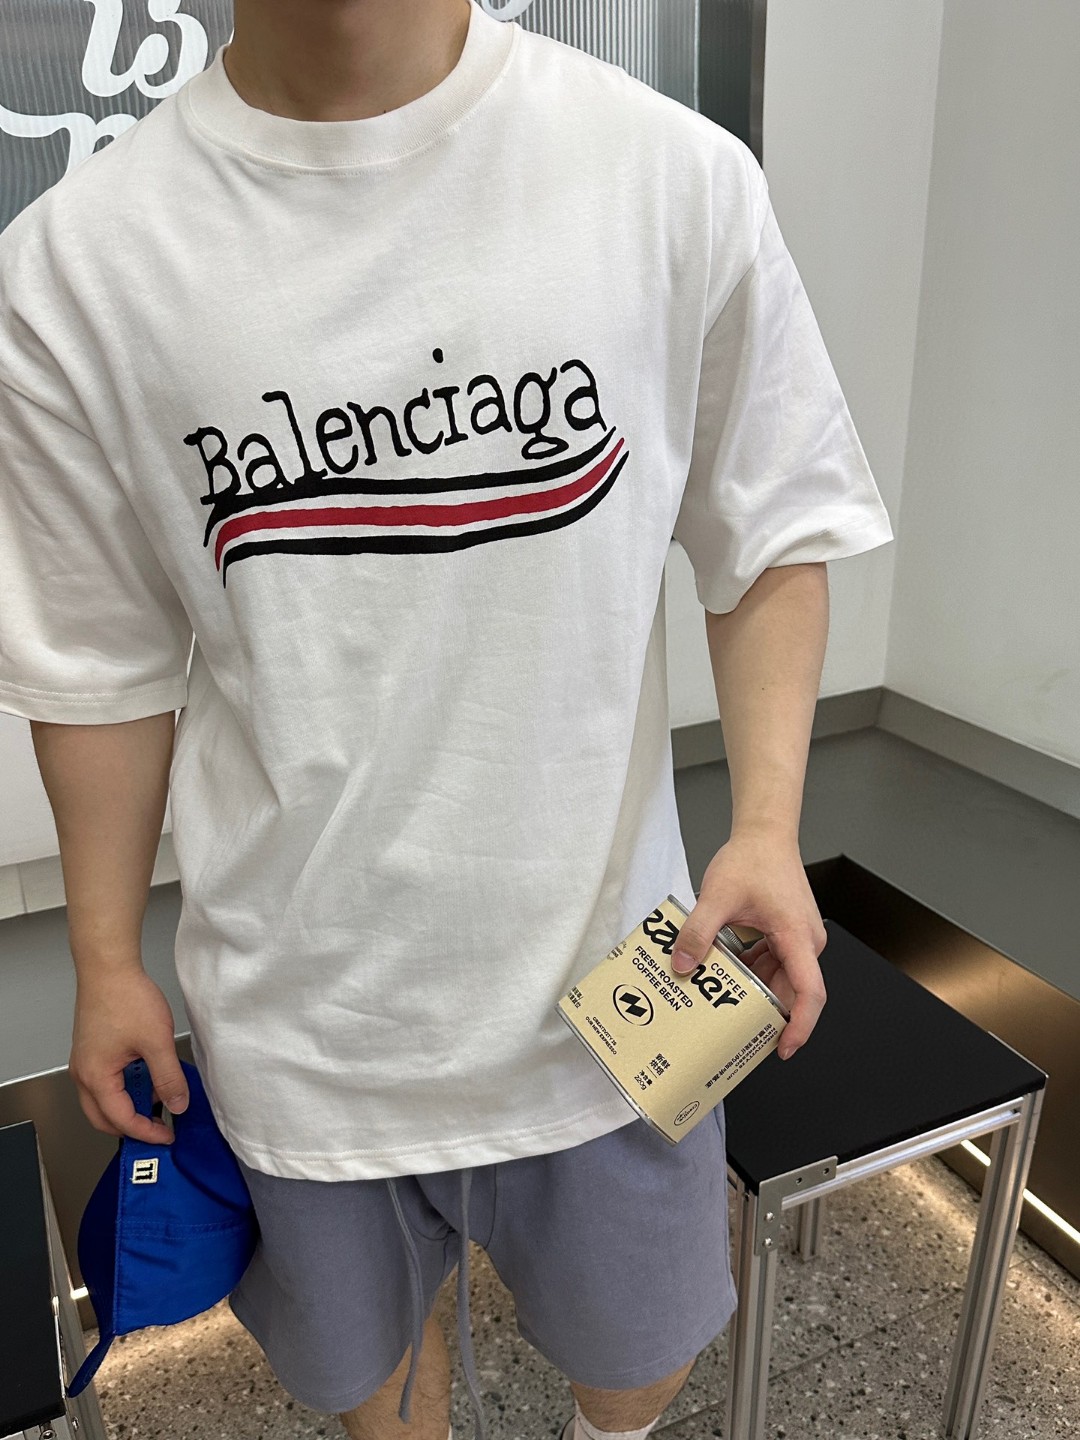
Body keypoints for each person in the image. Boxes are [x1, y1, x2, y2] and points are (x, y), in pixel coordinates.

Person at [0, 2, 894, 1439]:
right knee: (370, 1380)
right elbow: (97, 665)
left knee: (642, 1353)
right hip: (302, 1015)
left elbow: (773, 523)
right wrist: (105, 957)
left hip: (620, 983)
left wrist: (771, 825)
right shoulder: (78, 263)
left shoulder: (666, 175)